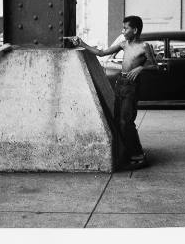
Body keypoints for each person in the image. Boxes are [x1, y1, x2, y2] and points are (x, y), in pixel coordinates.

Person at [65, 15, 157, 170]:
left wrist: (141, 67)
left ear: (135, 30)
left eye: (125, 28)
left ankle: (139, 156)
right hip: (120, 84)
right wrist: (82, 43)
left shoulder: (144, 46)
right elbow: (101, 53)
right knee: (117, 120)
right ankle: (129, 154)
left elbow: (154, 65)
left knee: (126, 122)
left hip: (131, 86)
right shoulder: (123, 44)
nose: (123, 31)